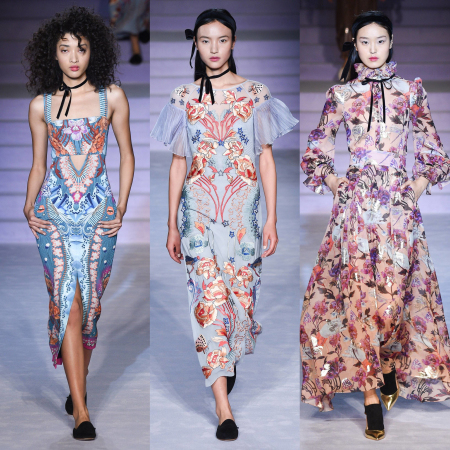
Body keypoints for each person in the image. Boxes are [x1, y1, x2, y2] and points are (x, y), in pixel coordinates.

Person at [300, 10, 450, 441]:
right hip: (356, 211)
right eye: (364, 41)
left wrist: (414, 188)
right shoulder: (341, 94)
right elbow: (316, 150)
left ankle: (385, 367)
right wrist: (336, 184)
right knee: (360, 298)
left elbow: (434, 149)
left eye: (379, 41)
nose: (372, 49)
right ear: (354, 45)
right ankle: (370, 395)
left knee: (395, 298)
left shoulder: (410, 91)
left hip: (399, 213)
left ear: (391, 43)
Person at [151, 8, 298, 442]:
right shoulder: (183, 97)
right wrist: (171, 223)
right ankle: (223, 409)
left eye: (221, 40)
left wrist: (272, 217)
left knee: (240, 302)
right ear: (195, 44)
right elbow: (179, 163)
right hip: (197, 214)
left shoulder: (256, 93)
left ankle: (227, 354)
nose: (213, 49)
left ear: (233, 42)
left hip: (243, 215)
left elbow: (265, 158)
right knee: (208, 302)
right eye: (204, 41)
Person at [23, 6, 135, 440]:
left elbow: (126, 155)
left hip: (98, 216)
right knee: (67, 302)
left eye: (81, 48)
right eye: (65, 48)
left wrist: (120, 207)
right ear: (52, 53)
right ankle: (81, 411)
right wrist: (27, 206)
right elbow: (39, 165)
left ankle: (77, 385)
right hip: (52, 215)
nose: (73, 57)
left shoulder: (112, 97)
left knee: (89, 308)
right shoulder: (41, 105)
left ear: (94, 52)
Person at [109, 0, 150, 65]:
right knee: (133, 26)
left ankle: (136, 53)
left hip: (133, 16)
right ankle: (136, 52)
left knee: (133, 24)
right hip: (128, 16)